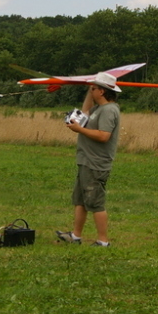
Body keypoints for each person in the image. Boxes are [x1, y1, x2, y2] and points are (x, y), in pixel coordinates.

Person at [56, 71, 121, 247]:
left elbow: (103, 136)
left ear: (102, 91)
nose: (90, 91)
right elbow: (85, 112)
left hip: (96, 163)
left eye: (93, 89)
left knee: (95, 202)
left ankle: (103, 240)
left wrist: (80, 130)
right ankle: (75, 236)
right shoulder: (98, 109)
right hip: (86, 161)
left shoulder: (109, 111)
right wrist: (88, 89)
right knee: (81, 200)